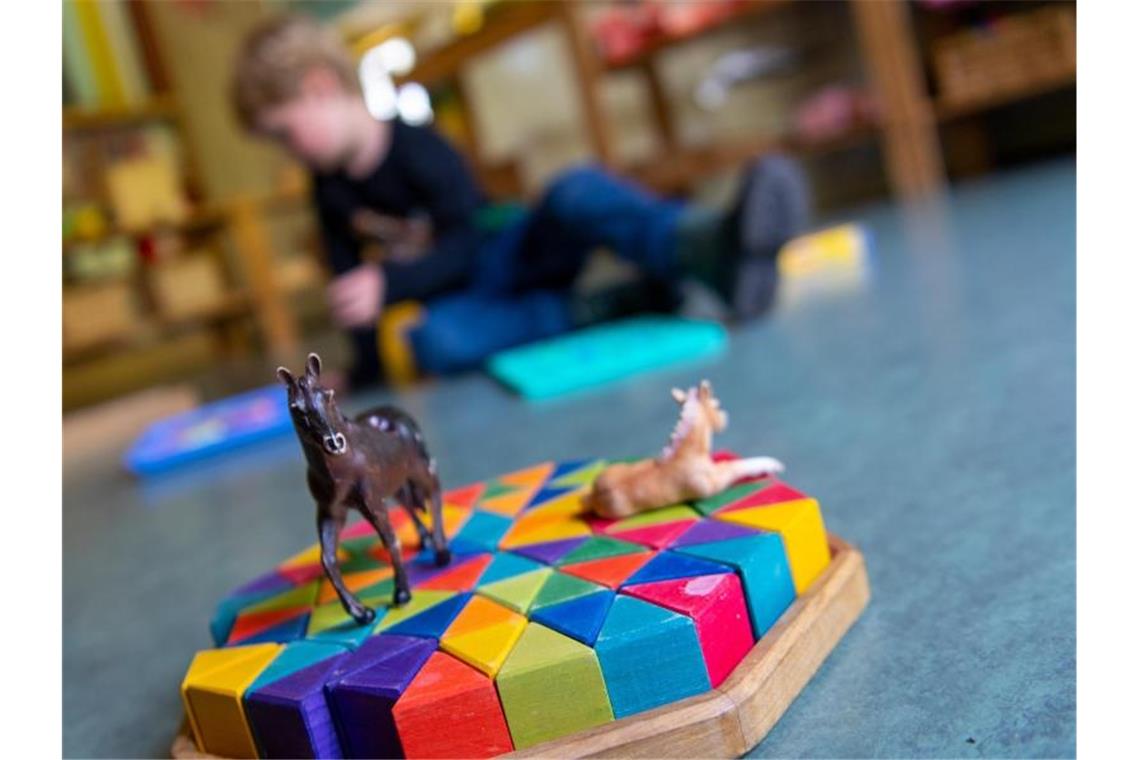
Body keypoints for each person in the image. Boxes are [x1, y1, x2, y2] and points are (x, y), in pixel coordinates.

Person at [232, 15, 809, 387]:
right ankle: (638, 297)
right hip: (472, 304)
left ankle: (705, 243)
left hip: (507, 254)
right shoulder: (327, 188)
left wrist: (392, 285)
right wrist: (362, 370)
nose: (289, 151)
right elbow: (347, 285)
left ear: (320, 87)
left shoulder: (417, 146)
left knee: (574, 188)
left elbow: (462, 242)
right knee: (437, 342)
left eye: (285, 132)